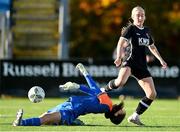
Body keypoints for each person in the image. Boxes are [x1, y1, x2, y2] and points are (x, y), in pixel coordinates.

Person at [105, 6, 167, 126]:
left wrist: (161, 60)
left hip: (141, 66)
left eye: (142, 15)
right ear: (133, 17)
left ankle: (135, 116)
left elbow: (152, 47)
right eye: (137, 15)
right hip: (129, 61)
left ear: (145, 17)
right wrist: (118, 57)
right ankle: (103, 90)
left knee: (152, 94)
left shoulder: (147, 30)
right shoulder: (130, 29)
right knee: (120, 82)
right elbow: (120, 42)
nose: (140, 17)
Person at [13, 63, 126, 126]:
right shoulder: (105, 106)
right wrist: (78, 84)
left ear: (116, 115)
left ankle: (20, 123)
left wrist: (84, 75)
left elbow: (94, 89)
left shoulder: (107, 105)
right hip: (68, 105)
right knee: (45, 118)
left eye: (122, 112)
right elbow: (92, 91)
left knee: (45, 118)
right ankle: (69, 123)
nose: (122, 109)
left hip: (70, 111)